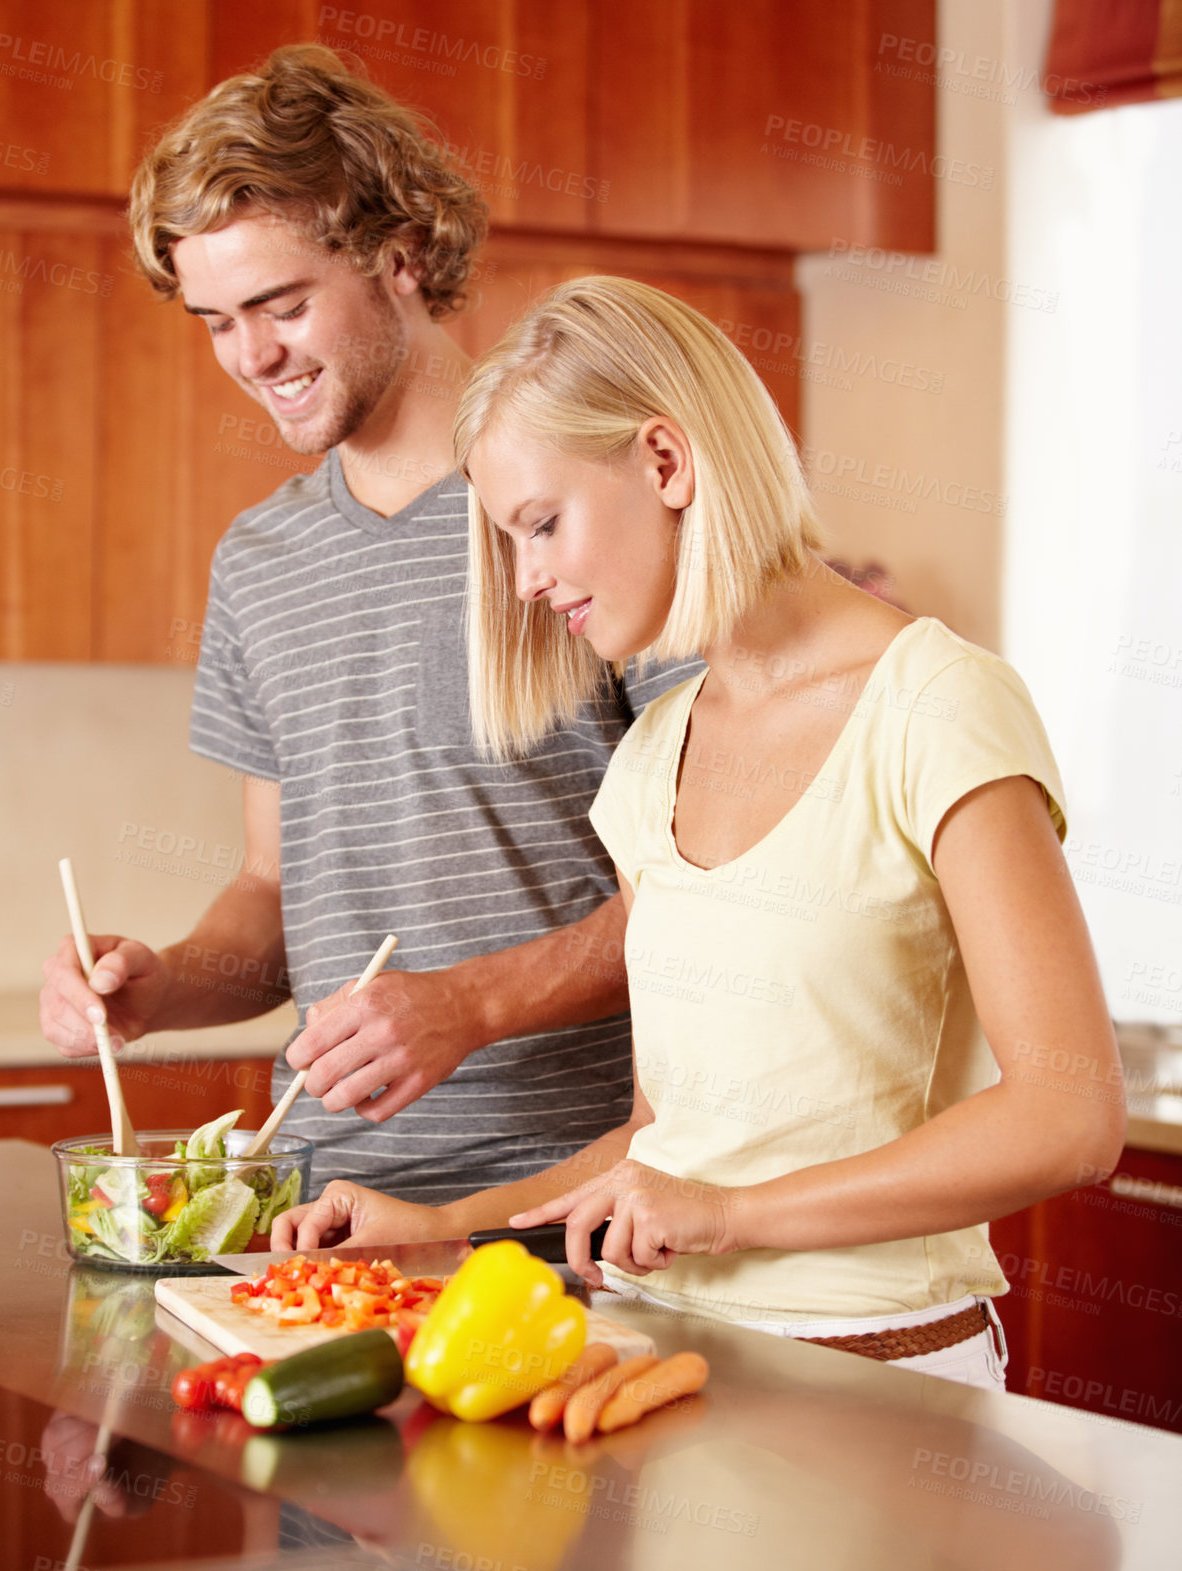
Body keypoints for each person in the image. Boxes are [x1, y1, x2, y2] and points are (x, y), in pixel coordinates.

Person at [277, 276, 1126, 1389]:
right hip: (661, 1363)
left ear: (666, 463)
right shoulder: (654, 752)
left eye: (541, 525)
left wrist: (726, 1215)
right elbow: (663, 1145)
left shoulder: (936, 704)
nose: (526, 580)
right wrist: (437, 1223)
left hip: (877, 1379)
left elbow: (1070, 1115)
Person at [38, 50, 699, 1200]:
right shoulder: (260, 560)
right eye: (216, 322)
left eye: (282, 306)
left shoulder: (583, 505)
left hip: (590, 1193)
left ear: (401, 256)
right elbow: (272, 892)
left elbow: (715, 880)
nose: (252, 358)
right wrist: (163, 982)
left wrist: (471, 1004)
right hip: (336, 1203)